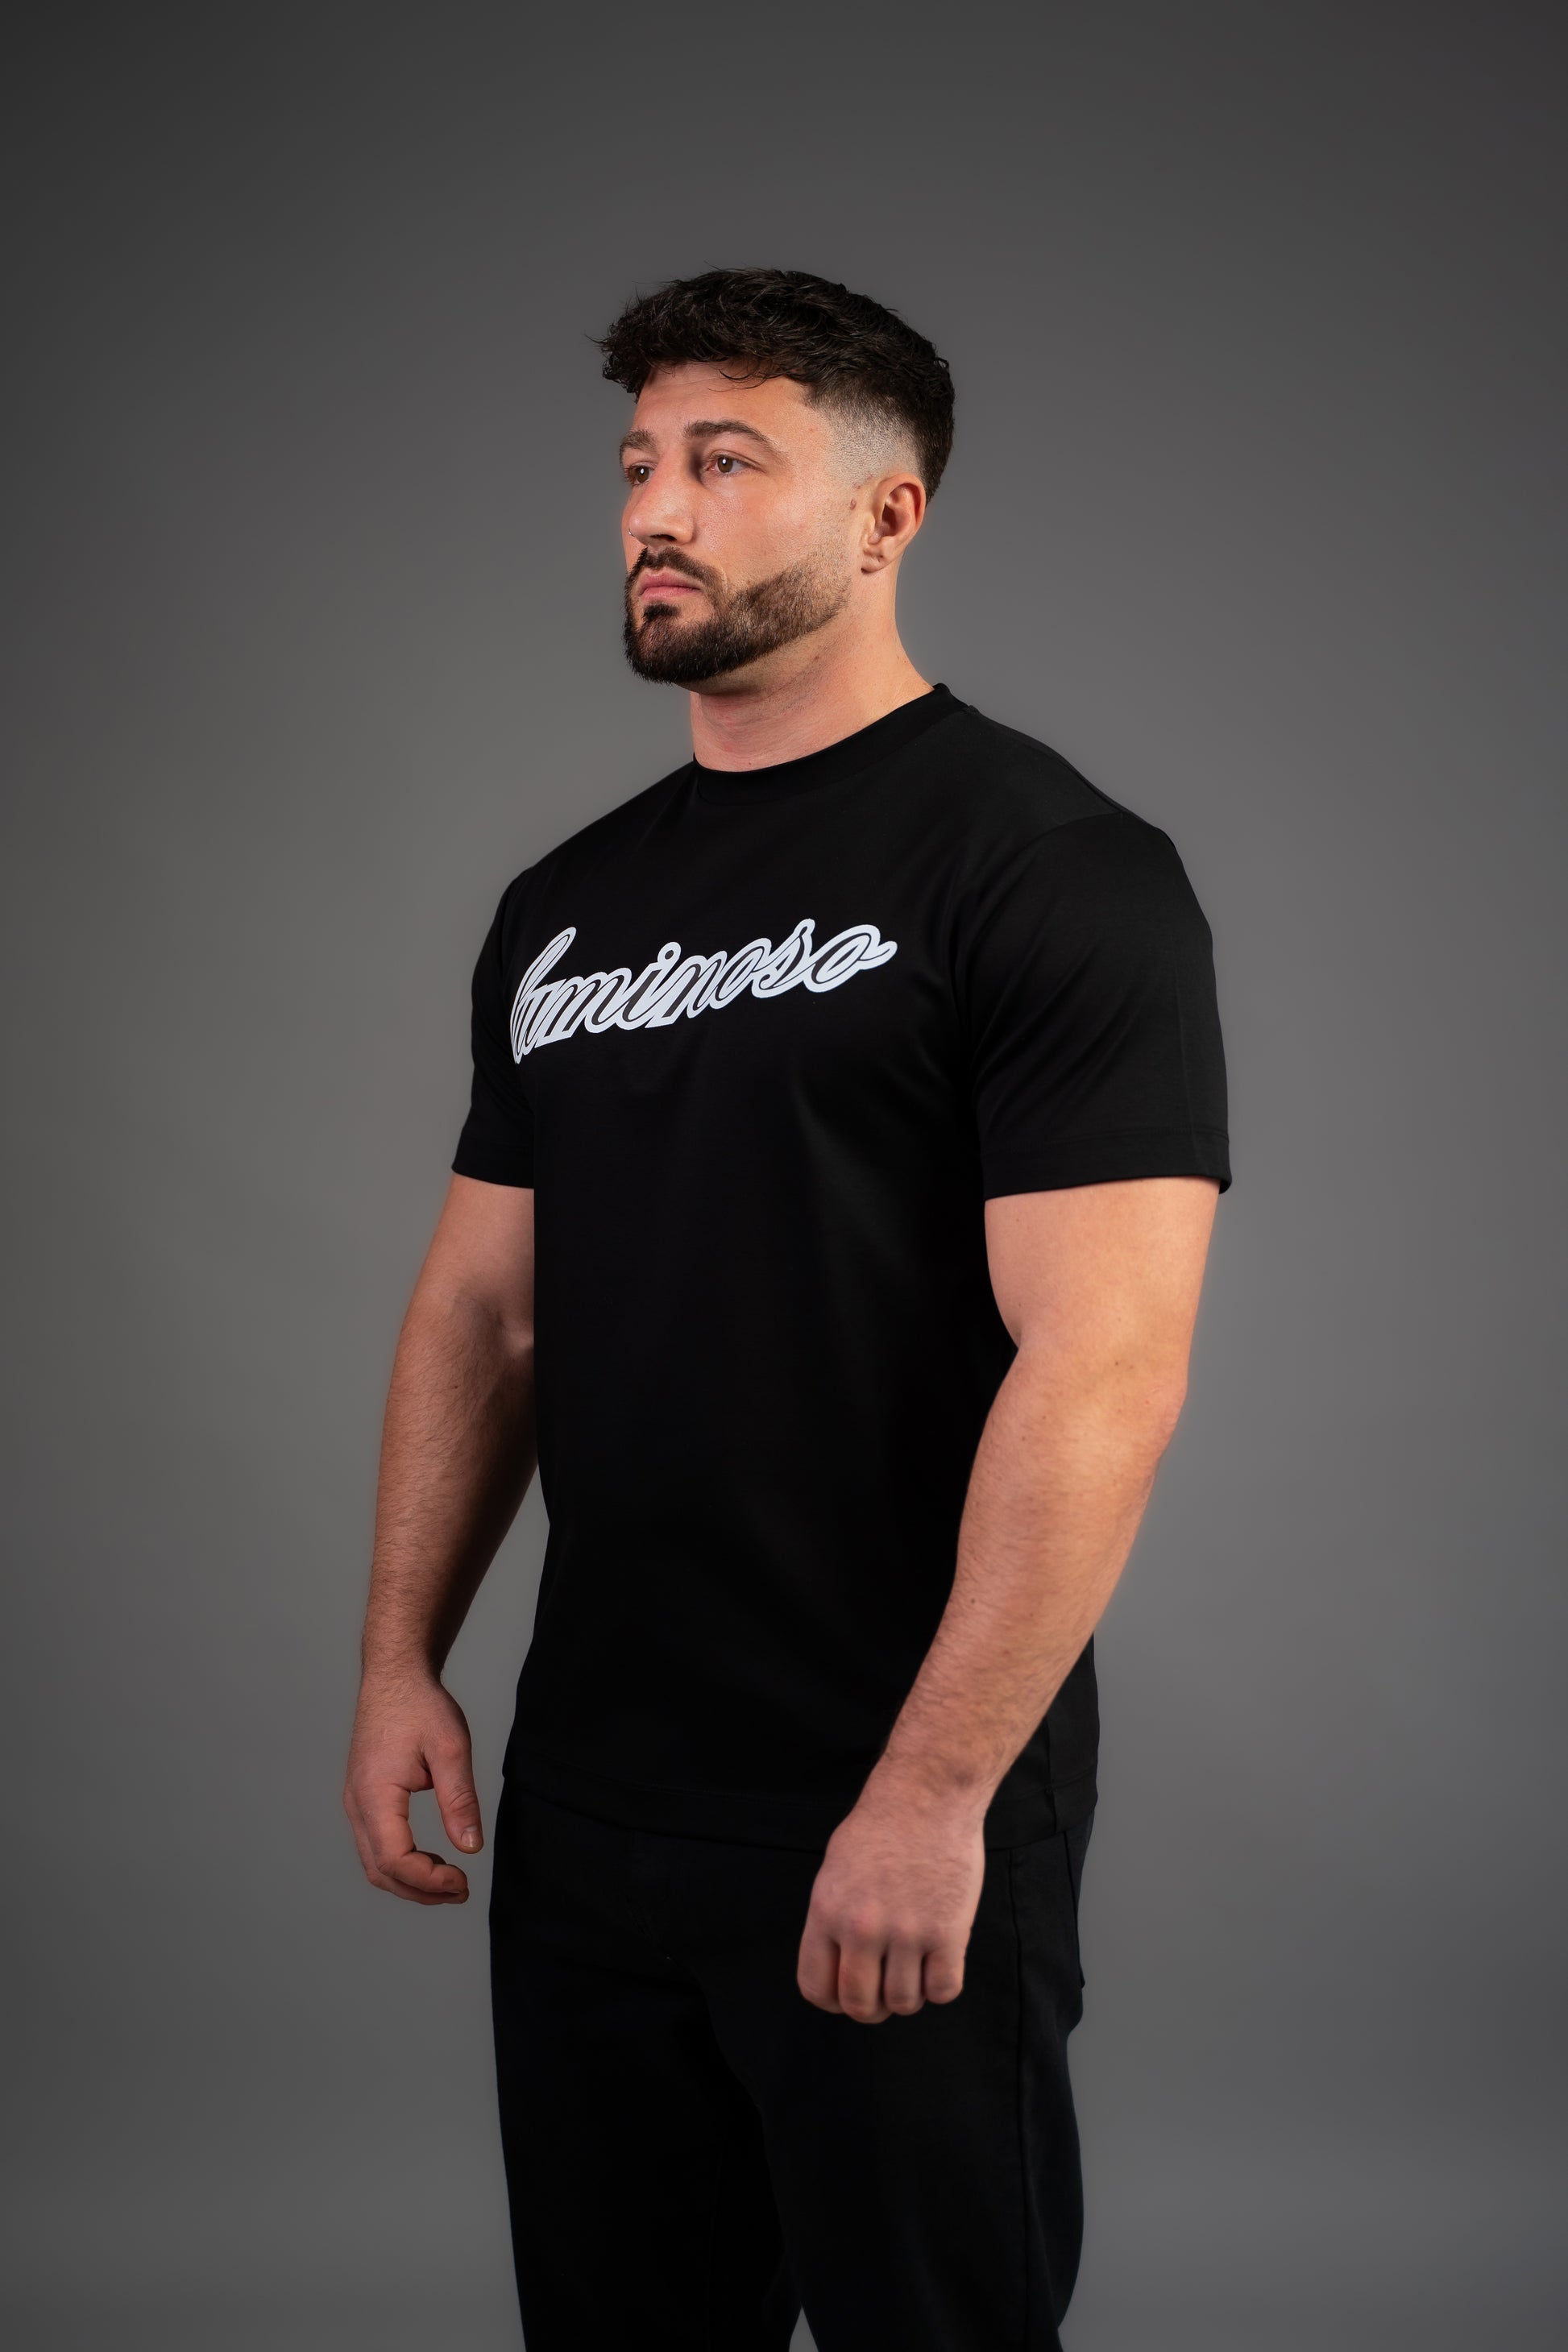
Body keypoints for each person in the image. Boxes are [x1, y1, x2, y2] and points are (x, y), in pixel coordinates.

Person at [342, 267, 1229, 2351]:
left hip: (888, 1788)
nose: (657, 509)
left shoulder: (1051, 869)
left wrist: (932, 1801)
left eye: (727, 462)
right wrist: (398, 1659)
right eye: (640, 463)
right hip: (595, 1800)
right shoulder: (564, 907)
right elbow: (485, 1315)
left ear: (884, 514)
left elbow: (1105, 1365)